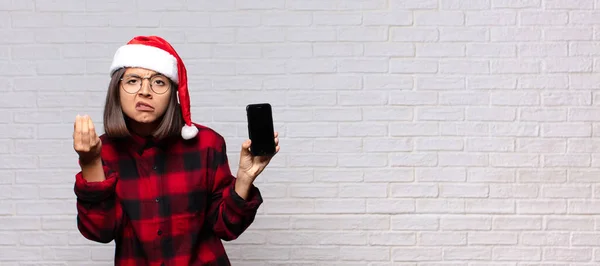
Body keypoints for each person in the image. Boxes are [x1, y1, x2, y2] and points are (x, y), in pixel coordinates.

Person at [72, 35, 280, 266]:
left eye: (159, 82)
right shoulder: (104, 151)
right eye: (133, 81)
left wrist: (244, 179)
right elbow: (100, 231)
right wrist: (90, 162)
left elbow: (226, 227)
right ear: (116, 89)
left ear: (174, 93)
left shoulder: (207, 144)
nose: (145, 91)